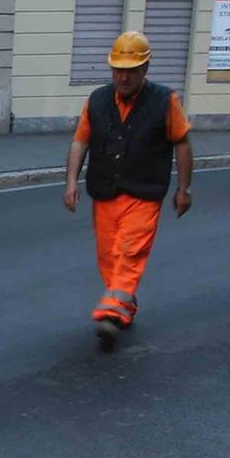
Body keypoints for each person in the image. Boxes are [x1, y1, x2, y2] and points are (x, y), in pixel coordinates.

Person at [63, 28, 193, 345]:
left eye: (130, 71)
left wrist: (184, 189)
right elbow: (80, 142)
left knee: (129, 251)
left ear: (145, 69)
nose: (123, 78)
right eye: (118, 70)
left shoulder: (165, 101)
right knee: (108, 256)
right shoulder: (96, 100)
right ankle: (124, 302)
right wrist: (70, 182)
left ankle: (111, 312)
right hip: (105, 191)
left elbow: (182, 144)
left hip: (144, 193)